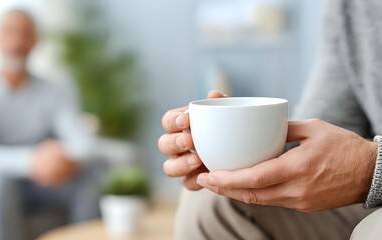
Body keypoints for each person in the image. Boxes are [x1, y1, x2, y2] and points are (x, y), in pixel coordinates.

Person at [159, 0, 382, 239]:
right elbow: (328, 125)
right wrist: (226, 144)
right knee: (209, 202)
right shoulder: (351, 6)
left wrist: (370, 167)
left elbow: (358, 163)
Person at [0, 9, 101, 240]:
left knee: (85, 183)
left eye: (25, 34)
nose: (16, 42)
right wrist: (30, 161)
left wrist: (64, 159)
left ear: (35, 41)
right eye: (9, 33)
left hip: (39, 181)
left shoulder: (56, 90)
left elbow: (84, 144)